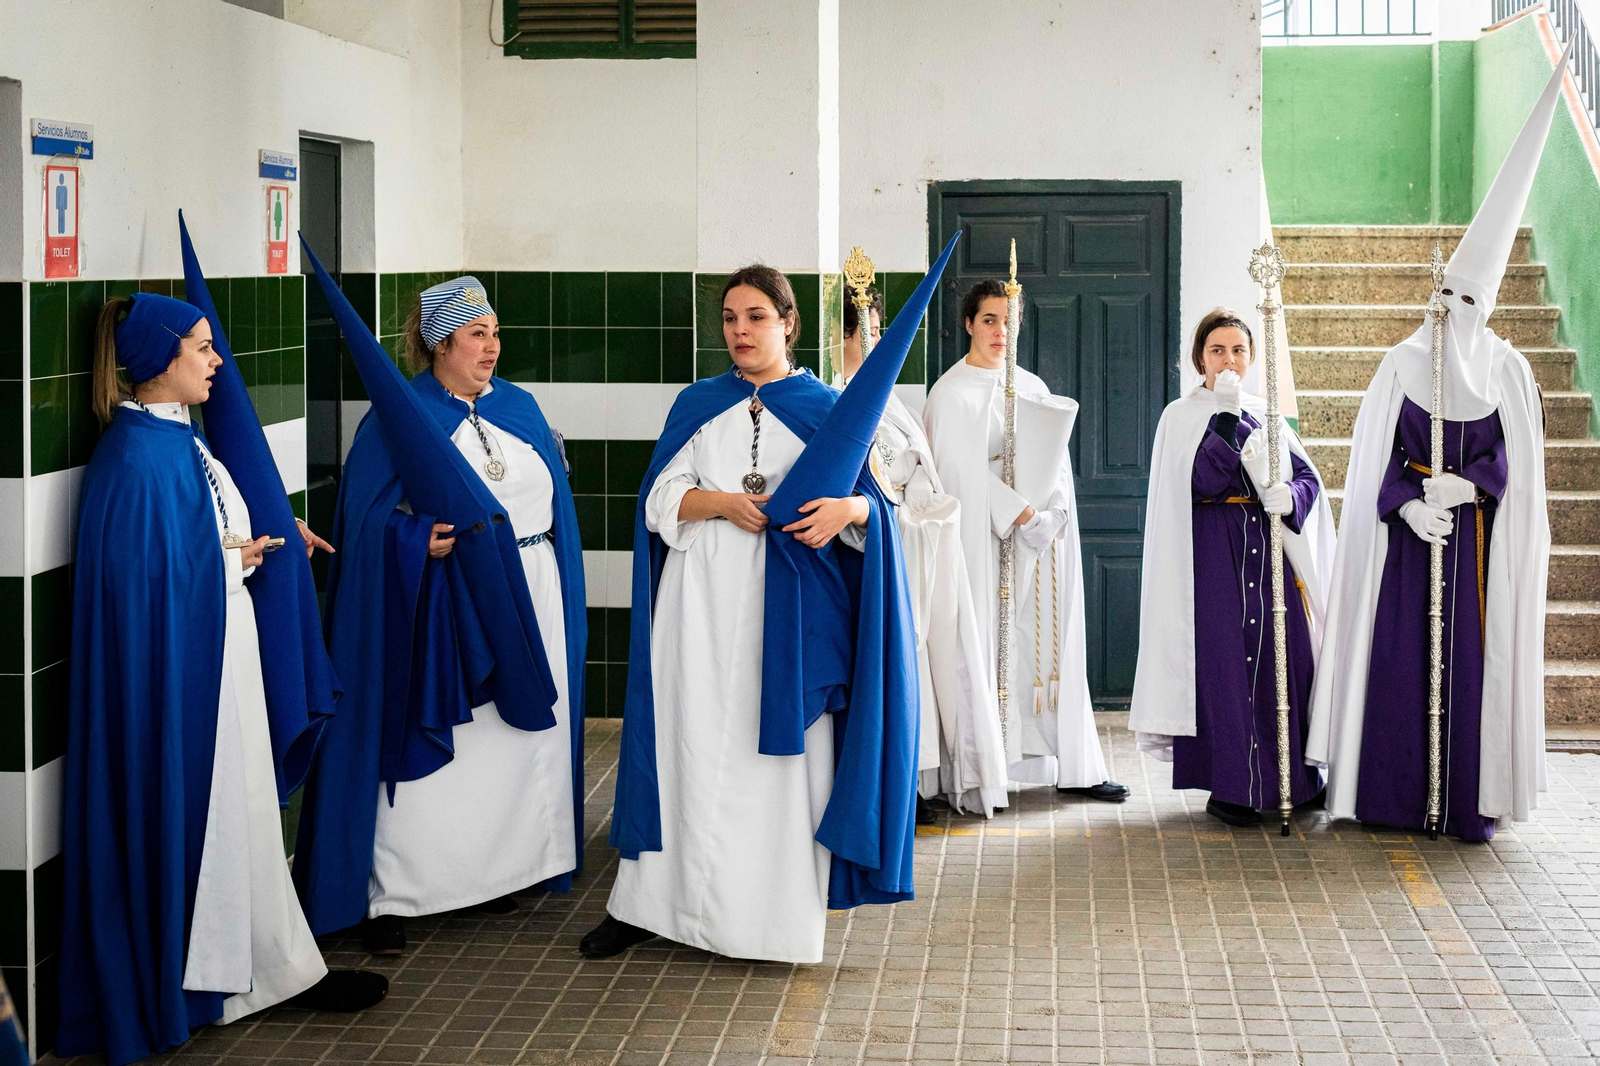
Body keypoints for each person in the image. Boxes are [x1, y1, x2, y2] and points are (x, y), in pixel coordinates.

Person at [56, 236, 385, 1066]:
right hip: (185, 678)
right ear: (156, 361)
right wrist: (228, 559)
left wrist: (258, 540)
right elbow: (144, 586)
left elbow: (198, 537)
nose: (217, 362)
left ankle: (253, 969)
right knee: (210, 818)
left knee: (236, 816)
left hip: (215, 661)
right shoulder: (133, 460)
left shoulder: (177, 439)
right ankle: (217, 978)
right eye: (202, 349)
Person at [586, 239, 957, 964]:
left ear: (789, 322)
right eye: (728, 317)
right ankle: (649, 906)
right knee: (684, 747)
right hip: (697, 613)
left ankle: (767, 919)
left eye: (755, 316)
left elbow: (878, 509)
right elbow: (659, 500)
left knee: (776, 768)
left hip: (786, 622)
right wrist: (721, 502)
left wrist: (849, 513)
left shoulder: (827, 409)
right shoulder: (698, 404)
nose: (739, 330)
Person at [292, 262, 586, 954]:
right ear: (439, 344)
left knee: (518, 739)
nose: (491, 348)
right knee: (456, 744)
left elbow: (557, 504)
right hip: (445, 609)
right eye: (476, 335)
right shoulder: (401, 419)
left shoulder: (520, 407)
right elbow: (363, 524)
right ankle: (404, 890)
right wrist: (415, 540)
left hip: (533, 588)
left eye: (495, 334)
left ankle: (511, 867)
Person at [1307, 53, 1560, 841]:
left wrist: (1475, 485)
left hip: (1476, 551)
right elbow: (1373, 461)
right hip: (1407, 549)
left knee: (1468, 671)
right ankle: (1389, 794)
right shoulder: (1398, 365)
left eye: (1468, 299)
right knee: (1398, 665)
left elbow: (1520, 468)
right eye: (1444, 295)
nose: (1452, 310)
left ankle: (1461, 804)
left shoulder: (1510, 372)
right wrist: (1408, 502)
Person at [922, 281, 1127, 804]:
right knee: (985, 643)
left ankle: (1073, 765)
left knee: (1046, 649)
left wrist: (1049, 514)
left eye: (1008, 321)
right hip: (982, 544)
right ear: (969, 324)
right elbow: (953, 476)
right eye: (989, 319)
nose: (999, 331)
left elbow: (1056, 464)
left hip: (1038, 543)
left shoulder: (1032, 385)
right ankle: (982, 769)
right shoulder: (949, 394)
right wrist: (1014, 509)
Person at [1128, 310, 1335, 827]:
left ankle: (1297, 779)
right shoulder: (1182, 416)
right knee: (1224, 667)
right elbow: (1201, 481)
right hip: (1213, 554)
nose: (1228, 360)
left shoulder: (1266, 414)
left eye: (1238, 351)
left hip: (1267, 551)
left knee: (1283, 660)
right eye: (1217, 350)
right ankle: (1233, 788)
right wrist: (1223, 419)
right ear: (1200, 357)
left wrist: (1289, 494)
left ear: (1251, 358)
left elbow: (1308, 479)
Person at [842, 289, 1007, 821]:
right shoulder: (834, 395)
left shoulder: (893, 399)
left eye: (876, 327)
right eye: (858, 330)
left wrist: (920, 493)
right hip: (873, 552)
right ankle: (887, 785)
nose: (870, 341)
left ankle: (917, 778)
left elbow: (921, 468)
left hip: (919, 544)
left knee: (924, 665)